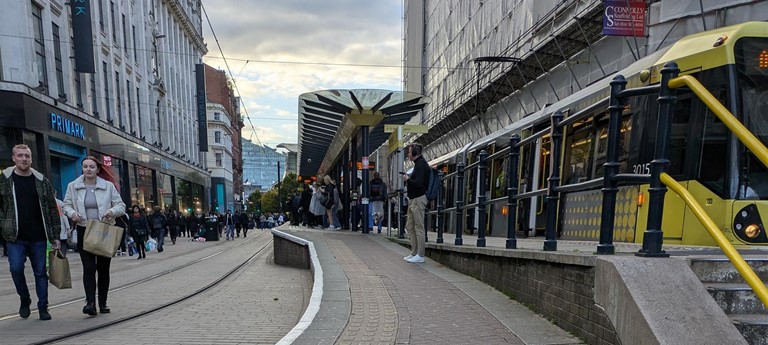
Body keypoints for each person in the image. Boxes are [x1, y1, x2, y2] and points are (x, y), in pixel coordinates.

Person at [0, 144, 61, 320]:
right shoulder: (4, 180)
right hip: (14, 236)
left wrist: (55, 236)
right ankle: (24, 298)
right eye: (20, 156)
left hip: (39, 237)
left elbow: (51, 208)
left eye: (27, 156)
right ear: (13, 158)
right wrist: (4, 224)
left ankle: (43, 306)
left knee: (41, 272)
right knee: (16, 268)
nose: (24, 159)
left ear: (31, 158)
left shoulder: (42, 181)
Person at [62, 155, 125, 315]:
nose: (88, 169)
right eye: (85, 166)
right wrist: (72, 213)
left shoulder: (108, 186)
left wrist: (111, 211)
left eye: (91, 167)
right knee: (89, 267)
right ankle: (90, 303)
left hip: (103, 229)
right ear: (82, 168)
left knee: (103, 269)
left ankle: (102, 302)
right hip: (84, 229)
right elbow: (66, 205)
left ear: (97, 169)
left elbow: (121, 206)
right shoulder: (73, 186)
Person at [403, 144, 429, 263]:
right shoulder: (418, 165)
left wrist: (408, 179)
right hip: (413, 199)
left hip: (418, 199)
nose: (408, 155)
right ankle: (414, 252)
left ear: (414, 153)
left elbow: (418, 183)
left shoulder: (420, 165)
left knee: (419, 226)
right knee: (409, 226)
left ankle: (420, 255)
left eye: (409, 152)